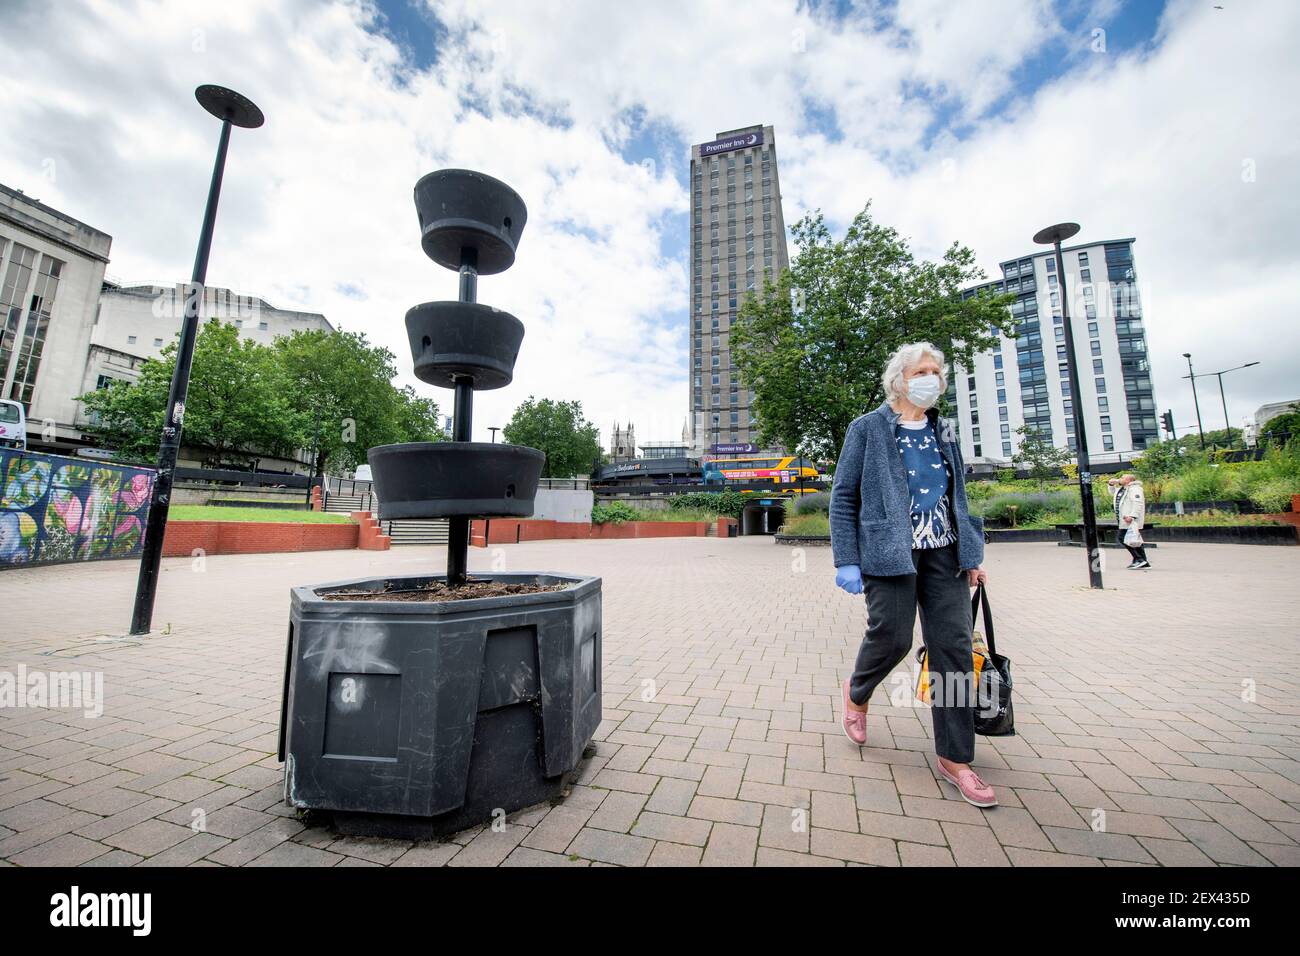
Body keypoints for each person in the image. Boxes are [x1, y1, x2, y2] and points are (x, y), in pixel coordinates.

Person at [829, 342, 995, 808]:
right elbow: (844, 498)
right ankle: (858, 691)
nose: (933, 377)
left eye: (937, 371)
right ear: (899, 379)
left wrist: (973, 554)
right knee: (893, 637)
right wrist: (847, 557)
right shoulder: (866, 430)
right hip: (889, 553)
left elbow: (958, 498)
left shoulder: (945, 431)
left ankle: (956, 758)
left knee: (954, 652)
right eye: (923, 370)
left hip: (945, 554)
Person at [1109, 473, 1150, 569]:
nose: (1120, 479)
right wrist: (1111, 485)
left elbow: (1137, 503)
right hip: (1123, 519)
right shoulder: (1122, 489)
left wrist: (1132, 516)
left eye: (1122, 478)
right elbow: (1113, 493)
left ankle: (1139, 559)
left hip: (1130, 519)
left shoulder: (1135, 489)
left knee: (1122, 538)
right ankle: (1143, 562)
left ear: (1129, 480)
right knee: (1134, 540)